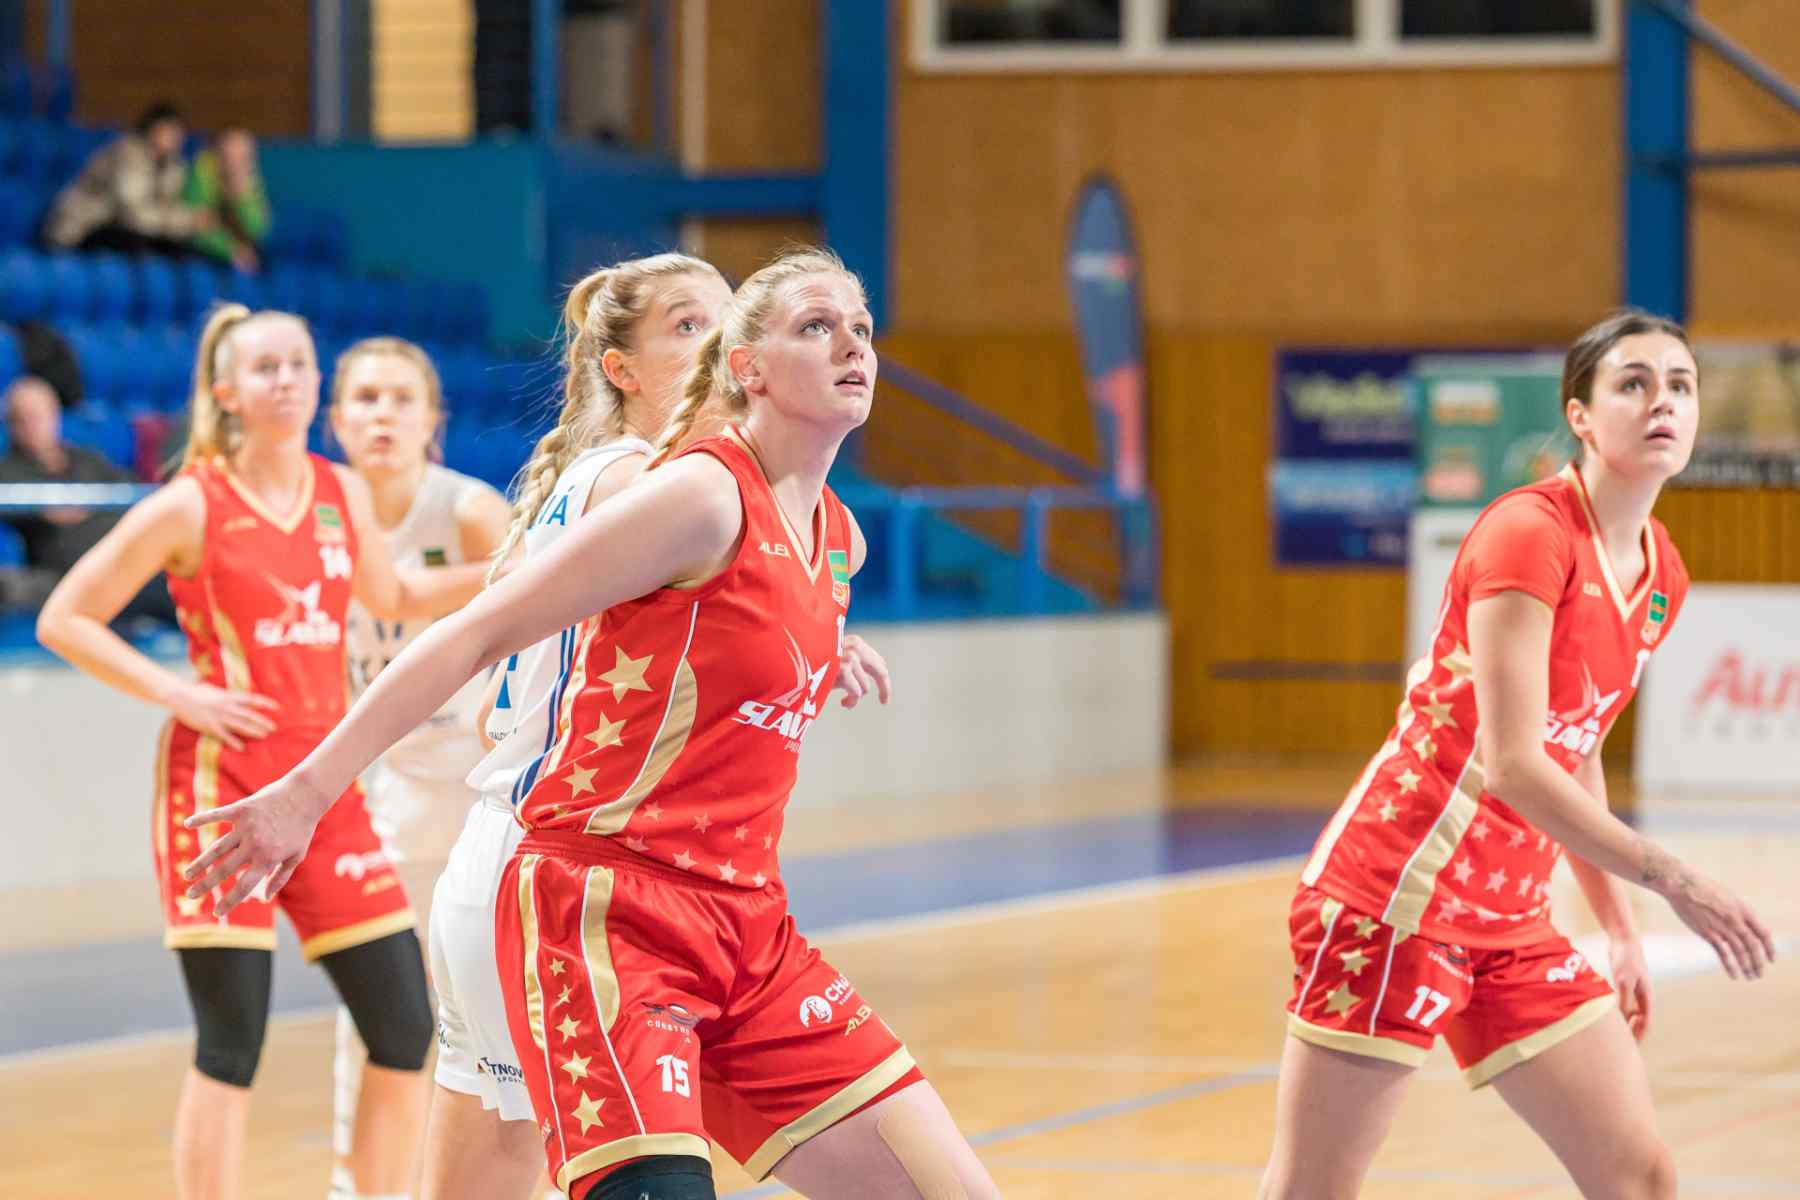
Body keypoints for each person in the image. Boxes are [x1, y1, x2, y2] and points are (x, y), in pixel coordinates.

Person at [184, 248, 1000, 1200]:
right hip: (588, 881)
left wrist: (818, 643)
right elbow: (475, 628)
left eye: (860, 326)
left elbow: (728, 634)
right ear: (729, 367)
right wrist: (307, 791)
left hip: (726, 909)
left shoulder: (814, 524)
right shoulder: (661, 483)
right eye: (812, 326)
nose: (851, 345)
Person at [1261, 309, 1777, 1200]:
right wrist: (1678, 881)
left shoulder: (1662, 573)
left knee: (1639, 1176)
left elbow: (1578, 745)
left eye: (1680, 386)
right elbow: (1513, 763)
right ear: (1581, 416)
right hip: (1396, 899)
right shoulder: (1530, 533)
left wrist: (1619, 926)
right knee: (1311, 1190)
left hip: (1510, 922)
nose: (1662, 402)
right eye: (1633, 384)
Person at [36, 303, 490, 1200]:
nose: (286, 381)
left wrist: (524, 568)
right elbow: (65, 617)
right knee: (231, 1043)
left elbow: (397, 593)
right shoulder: (189, 503)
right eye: (265, 368)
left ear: (316, 383)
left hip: (325, 790)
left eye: (298, 365)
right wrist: (179, 692)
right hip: (224, 787)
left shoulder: (339, 491)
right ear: (226, 391)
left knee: (404, 1028)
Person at [422, 250, 734, 1200]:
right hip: (542, 871)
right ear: (620, 370)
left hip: (502, 860)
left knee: (479, 1178)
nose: (718, 342)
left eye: (727, 320)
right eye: (687, 325)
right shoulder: (644, 484)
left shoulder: (609, 477)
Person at [326, 336, 513, 1199]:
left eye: (402, 398)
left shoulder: (468, 508)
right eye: (365, 398)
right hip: (385, 791)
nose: (383, 415)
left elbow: (549, 602)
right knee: (376, 1008)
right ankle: (361, 1185)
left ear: (433, 419)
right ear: (336, 419)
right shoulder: (318, 511)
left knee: (492, 1010)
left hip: (481, 786)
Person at [42, 100, 210, 256]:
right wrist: (187, 222)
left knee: (178, 250)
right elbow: (132, 214)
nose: (177, 138)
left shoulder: (173, 165)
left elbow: (167, 208)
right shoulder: (128, 155)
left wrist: (188, 221)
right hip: (83, 228)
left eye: (179, 133)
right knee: (139, 247)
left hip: (122, 226)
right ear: (152, 130)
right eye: (170, 131)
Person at [185, 125, 271, 273]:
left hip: (239, 247)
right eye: (230, 153)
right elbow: (197, 227)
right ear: (216, 152)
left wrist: (242, 197)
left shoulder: (249, 178)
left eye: (244, 155)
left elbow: (257, 229)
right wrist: (231, 251)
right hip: (203, 250)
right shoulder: (200, 174)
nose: (236, 161)